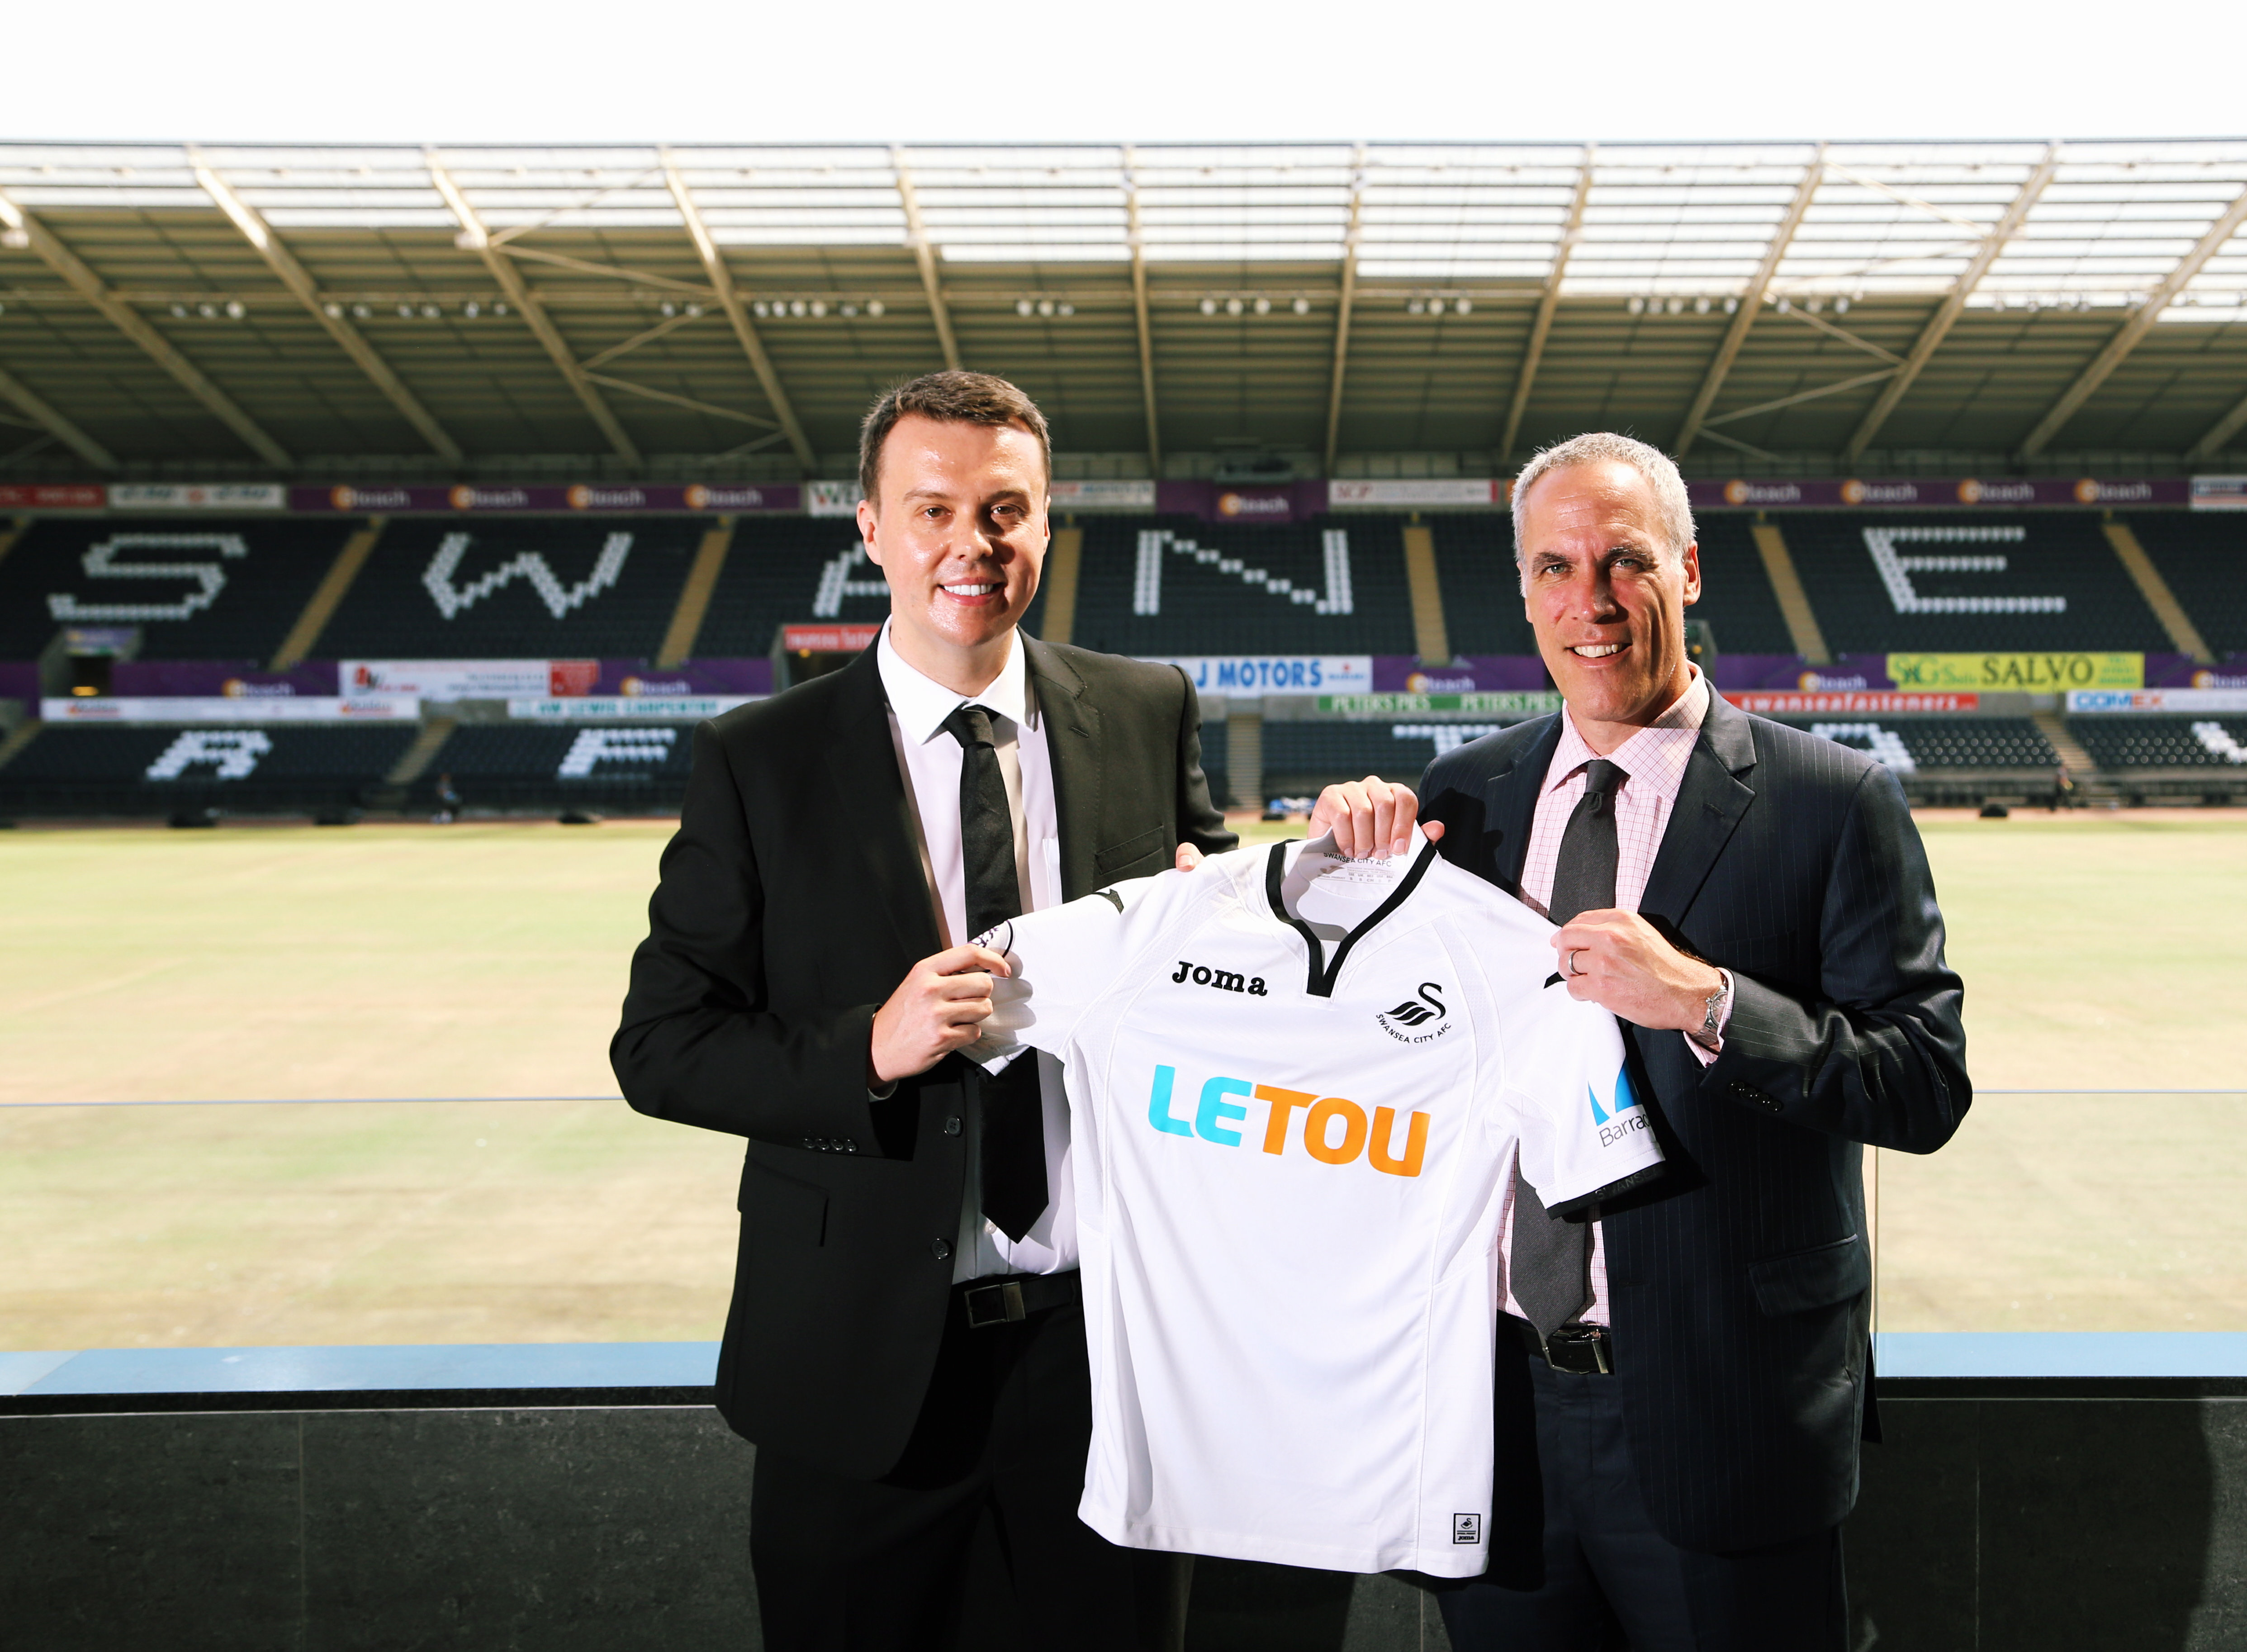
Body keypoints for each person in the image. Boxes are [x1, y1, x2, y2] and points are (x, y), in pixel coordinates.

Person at [1314, 432, 1968, 1649]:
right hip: (1494, 1417)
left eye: (1623, 561)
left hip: (1728, 1414)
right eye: (1554, 567)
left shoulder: (1830, 800)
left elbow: (1925, 1082)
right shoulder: (1462, 798)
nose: (1590, 601)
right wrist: (1328, 881)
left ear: (1688, 569)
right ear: (1522, 588)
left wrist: (1715, 1002)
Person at [611, 371, 1233, 1651]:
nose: (972, 545)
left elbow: (1222, 968)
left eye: (1005, 510)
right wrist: (868, 1050)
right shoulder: (760, 757)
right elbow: (660, 1045)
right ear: (871, 527)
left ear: (1047, 521)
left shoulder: (1144, 707)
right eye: (934, 508)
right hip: (858, 1376)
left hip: (1107, 1362)